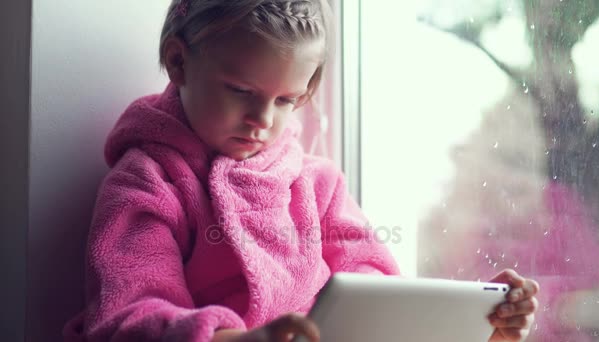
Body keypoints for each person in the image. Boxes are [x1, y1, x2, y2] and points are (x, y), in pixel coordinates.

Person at [63, 1, 539, 341]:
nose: (262, 120)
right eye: (240, 90)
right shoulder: (147, 181)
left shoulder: (317, 185)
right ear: (178, 61)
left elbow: (376, 306)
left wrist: (477, 324)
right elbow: (127, 318)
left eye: (286, 100)